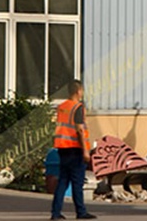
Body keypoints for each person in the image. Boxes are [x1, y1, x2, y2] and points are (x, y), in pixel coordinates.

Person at [50, 79, 96, 221]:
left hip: (62, 148)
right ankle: (81, 212)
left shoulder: (62, 107)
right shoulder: (78, 108)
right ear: (78, 91)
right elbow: (80, 130)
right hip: (75, 149)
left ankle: (56, 213)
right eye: (82, 91)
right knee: (77, 182)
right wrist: (85, 151)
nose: (82, 93)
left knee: (63, 182)